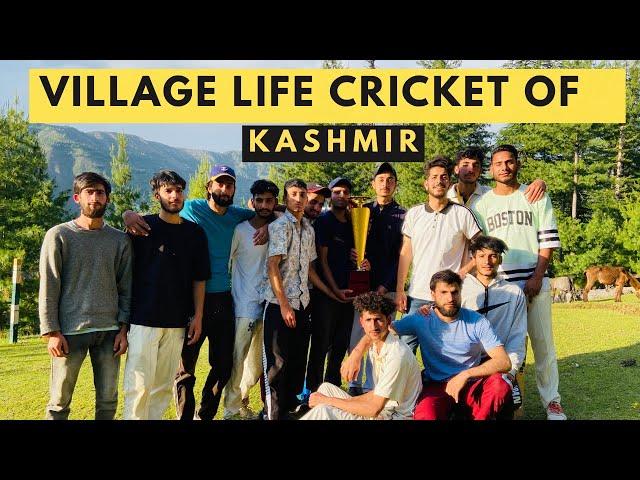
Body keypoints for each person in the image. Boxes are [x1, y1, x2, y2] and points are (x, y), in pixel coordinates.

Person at [124, 164, 268, 420]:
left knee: (224, 365)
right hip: (188, 299)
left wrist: (270, 222)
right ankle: (185, 416)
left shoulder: (237, 215)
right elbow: (160, 214)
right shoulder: (191, 208)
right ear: (208, 187)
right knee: (184, 369)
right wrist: (127, 213)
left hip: (223, 298)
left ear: (234, 189)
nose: (224, 189)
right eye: (219, 184)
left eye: (229, 184)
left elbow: (266, 210)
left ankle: (206, 414)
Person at [472, 144, 566, 420]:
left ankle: (553, 402)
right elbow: (481, 249)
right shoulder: (482, 204)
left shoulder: (534, 195)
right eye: (498, 163)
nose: (504, 167)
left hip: (533, 280)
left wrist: (537, 275)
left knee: (543, 344)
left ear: (517, 164)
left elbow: (547, 239)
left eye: (509, 162)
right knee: (502, 348)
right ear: (491, 168)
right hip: (501, 285)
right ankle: (504, 401)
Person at [344, 270, 513, 420]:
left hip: (471, 383)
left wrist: (466, 374)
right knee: (425, 415)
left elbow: (504, 362)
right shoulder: (422, 318)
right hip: (437, 385)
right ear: (433, 294)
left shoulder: (477, 321)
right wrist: (357, 353)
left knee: (499, 385)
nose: (450, 298)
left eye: (455, 292)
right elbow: (380, 330)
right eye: (444, 292)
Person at [39, 172, 131, 420]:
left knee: (108, 401)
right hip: (69, 331)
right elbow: (49, 285)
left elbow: (126, 287)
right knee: (59, 401)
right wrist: (51, 332)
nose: (95, 198)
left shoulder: (120, 240)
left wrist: (123, 329)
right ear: (77, 197)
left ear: (107, 199)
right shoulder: (58, 235)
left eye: (100, 192)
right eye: (89, 192)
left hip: (109, 332)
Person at [122, 171, 210, 420]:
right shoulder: (141, 228)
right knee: (137, 387)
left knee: (161, 389)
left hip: (177, 322)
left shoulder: (195, 234)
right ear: (157, 195)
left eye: (179, 190)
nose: (175, 196)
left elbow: (199, 279)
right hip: (143, 320)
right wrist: (126, 214)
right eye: (168, 191)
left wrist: (198, 316)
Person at [261, 178, 339, 420]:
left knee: (297, 361)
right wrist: (284, 305)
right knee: (277, 365)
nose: (298, 199)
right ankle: (272, 413)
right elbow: (272, 266)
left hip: (303, 304)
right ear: (286, 198)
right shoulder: (278, 226)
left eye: (302, 195)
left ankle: (289, 410)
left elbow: (310, 270)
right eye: (293, 194)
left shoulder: (309, 229)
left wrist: (332, 293)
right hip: (279, 306)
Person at [396, 156, 482, 353]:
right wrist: (400, 289)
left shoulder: (462, 214)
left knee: (446, 353)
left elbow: (482, 249)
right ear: (426, 183)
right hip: (416, 296)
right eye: (434, 177)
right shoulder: (414, 214)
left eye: (443, 177)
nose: (439, 181)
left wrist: (463, 272)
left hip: (447, 298)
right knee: (404, 351)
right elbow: (406, 253)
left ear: (449, 182)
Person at [301, 292, 421, 420]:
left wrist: (329, 401)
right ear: (361, 322)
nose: (373, 326)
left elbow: (374, 409)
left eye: (378, 319)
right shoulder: (376, 344)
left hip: (392, 416)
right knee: (326, 388)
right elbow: (376, 395)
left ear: (388, 321)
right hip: (381, 409)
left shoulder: (397, 355)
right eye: (369, 320)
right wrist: (356, 355)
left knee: (324, 409)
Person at [347, 162, 406, 396]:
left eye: (390, 179)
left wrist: (385, 285)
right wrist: (355, 257)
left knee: (382, 335)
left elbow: (402, 255)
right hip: (363, 286)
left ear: (395, 185)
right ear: (373, 184)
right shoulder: (361, 212)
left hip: (388, 287)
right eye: (380, 179)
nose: (385, 184)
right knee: (357, 333)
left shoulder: (403, 215)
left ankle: (376, 384)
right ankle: (354, 383)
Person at [222, 179, 279, 419]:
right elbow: (225, 262)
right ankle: (230, 409)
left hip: (267, 305)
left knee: (256, 367)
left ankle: (242, 399)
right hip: (243, 305)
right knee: (237, 360)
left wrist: (273, 223)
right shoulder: (240, 230)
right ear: (252, 202)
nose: (264, 205)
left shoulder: (278, 227)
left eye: (269, 201)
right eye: (260, 200)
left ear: (275, 203)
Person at [306, 176, 359, 395]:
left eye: (346, 192)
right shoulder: (324, 221)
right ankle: (313, 390)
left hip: (349, 294)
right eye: (337, 192)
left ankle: (333, 389)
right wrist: (333, 290)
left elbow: (359, 253)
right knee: (320, 344)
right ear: (331, 195)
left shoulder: (355, 221)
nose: (342, 196)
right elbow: (322, 260)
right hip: (326, 295)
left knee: (340, 345)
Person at [447, 146, 547, 209]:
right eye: (465, 165)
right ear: (456, 169)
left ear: (481, 170)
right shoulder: (444, 197)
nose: (471, 169)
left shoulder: (490, 195)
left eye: (476, 165)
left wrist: (540, 182)